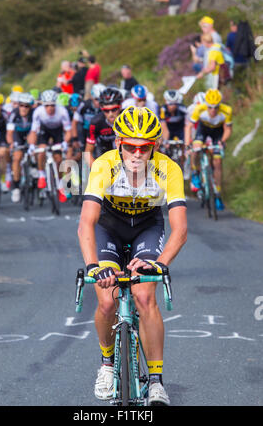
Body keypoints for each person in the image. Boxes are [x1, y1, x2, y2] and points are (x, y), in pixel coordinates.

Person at [78, 106, 187, 405]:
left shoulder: (169, 169)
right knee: (107, 299)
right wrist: (92, 266)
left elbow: (180, 229)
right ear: (118, 144)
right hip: (109, 228)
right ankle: (107, 363)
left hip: (146, 227)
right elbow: (87, 222)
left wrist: (159, 264)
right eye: (130, 147)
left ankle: (155, 382)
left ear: (155, 147)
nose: (137, 154)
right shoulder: (104, 165)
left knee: (145, 297)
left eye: (144, 148)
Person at [185, 88, 232, 210]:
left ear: (219, 105)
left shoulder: (227, 111)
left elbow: (228, 129)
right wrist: (187, 143)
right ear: (206, 105)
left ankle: (217, 193)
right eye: (210, 107)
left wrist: (222, 141)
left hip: (218, 132)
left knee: (217, 161)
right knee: (196, 149)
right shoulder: (199, 109)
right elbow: (189, 127)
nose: (213, 110)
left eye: (216, 107)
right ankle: (195, 173)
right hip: (203, 130)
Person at [28, 89, 72, 202]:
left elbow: (68, 131)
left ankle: (60, 186)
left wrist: (65, 143)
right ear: (43, 105)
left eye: (52, 105)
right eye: (47, 105)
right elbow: (33, 131)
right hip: (44, 130)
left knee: (58, 160)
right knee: (41, 150)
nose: (50, 108)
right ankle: (41, 175)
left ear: (55, 104)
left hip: (57, 131)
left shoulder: (62, 111)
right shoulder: (38, 112)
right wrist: (32, 145)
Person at [6, 92, 35, 203]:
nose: (23, 108)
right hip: (17, 136)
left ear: (30, 107)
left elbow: (37, 131)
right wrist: (11, 143)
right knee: (17, 157)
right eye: (21, 105)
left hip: (30, 135)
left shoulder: (34, 114)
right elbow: (9, 133)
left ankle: (35, 170)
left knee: (37, 151)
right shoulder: (13, 114)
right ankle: (16, 186)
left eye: (26, 106)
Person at [85, 87, 123, 167]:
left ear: (120, 106)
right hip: (103, 155)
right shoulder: (96, 122)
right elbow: (88, 152)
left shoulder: (128, 119)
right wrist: (96, 170)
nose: (110, 114)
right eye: (106, 110)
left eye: (114, 109)